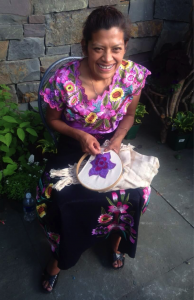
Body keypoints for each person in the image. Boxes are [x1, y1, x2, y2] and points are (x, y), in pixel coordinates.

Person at [36, 6, 151, 292]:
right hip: (73, 145)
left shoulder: (133, 76)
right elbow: (52, 120)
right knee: (67, 199)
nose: (108, 58)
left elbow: (127, 116)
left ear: (125, 47)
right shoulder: (63, 80)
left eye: (116, 49)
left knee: (134, 194)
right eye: (98, 48)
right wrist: (79, 135)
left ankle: (115, 241)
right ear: (85, 45)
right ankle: (61, 259)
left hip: (112, 142)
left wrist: (116, 141)